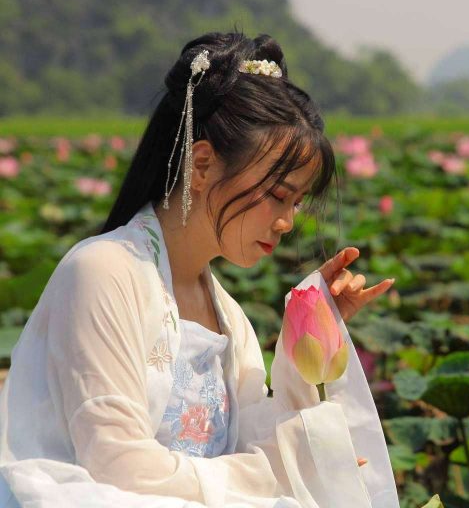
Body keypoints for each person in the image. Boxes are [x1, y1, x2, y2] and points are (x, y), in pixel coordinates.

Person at [0, 31, 399, 508]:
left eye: (296, 203)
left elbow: (253, 443)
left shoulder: (232, 318)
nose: (287, 222)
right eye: (278, 193)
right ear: (204, 162)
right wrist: (284, 465)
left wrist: (308, 337)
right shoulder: (102, 272)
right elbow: (118, 466)